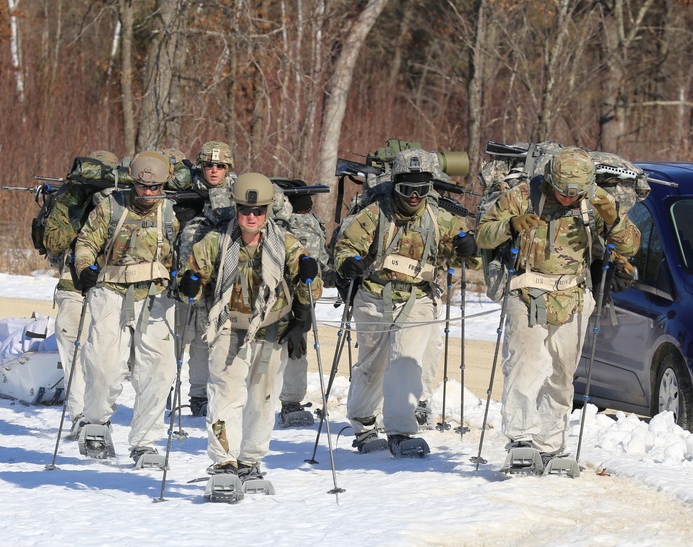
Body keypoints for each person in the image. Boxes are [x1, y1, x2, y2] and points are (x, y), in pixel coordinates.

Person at [476, 146, 640, 468]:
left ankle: (550, 443)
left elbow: (630, 244)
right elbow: (482, 235)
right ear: (550, 179)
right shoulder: (522, 195)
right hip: (526, 291)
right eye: (562, 190)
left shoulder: (597, 203)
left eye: (575, 192)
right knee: (524, 364)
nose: (568, 198)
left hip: (573, 296)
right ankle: (521, 439)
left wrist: (614, 220)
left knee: (562, 373)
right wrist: (511, 225)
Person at [333, 149, 477, 457]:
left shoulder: (439, 219)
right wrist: (349, 263)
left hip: (418, 299)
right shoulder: (375, 215)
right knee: (373, 364)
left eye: (422, 190)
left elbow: (470, 256)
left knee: (405, 363)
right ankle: (364, 423)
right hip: (374, 295)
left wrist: (469, 247)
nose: (414, 196)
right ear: (395, 185)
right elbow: (345, 246)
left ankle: (400, 430)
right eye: (406, 189)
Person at [180, 173, 322, 479]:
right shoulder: (216, 241)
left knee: (262, 399)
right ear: (236, 208)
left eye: (258, 211)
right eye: (245, 210)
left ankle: (250, 460)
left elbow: (309, 284)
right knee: (227, 396)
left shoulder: (284, 243)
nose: (251, 216)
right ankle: (223, 462)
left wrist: (310, 278)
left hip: (270, 331)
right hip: (227, 328)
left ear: (268, 210)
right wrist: (190, 283)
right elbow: (192, 275)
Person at [72, 151, 180, 462]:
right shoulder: (111, 206)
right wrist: (84, 268)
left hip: (157, 296)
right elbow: (86, 243)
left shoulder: (171, 214)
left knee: (157, 373)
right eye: (142, 187)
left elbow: (184, 253)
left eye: (155, 188)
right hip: (111, 291)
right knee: (103, 365)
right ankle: (95, 422)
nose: (148, 193)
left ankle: (145, 442)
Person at [42, 150, 119, 434]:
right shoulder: (69, 200)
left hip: (110, 284)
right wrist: (83, 209)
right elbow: (53, 240)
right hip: (72, 282)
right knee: (73, 347)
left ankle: (99, 413)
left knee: (106, 356)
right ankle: (78, 415)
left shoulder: (121, 204)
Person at [177, 141, 238, 417]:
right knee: (198, 341)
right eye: (209, 165)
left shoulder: (238, 190)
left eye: (220, 166)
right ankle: (198, 395)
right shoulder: (186, 189)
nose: (214, 171)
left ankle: (228, 395)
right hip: (194, 278)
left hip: (229, 275)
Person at [270, 178, 330, 427]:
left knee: (296, 346)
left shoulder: (307, 220)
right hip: (273, 292)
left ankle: (291, 401)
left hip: (299, 293)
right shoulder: (277, 221)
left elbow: (317, 259)